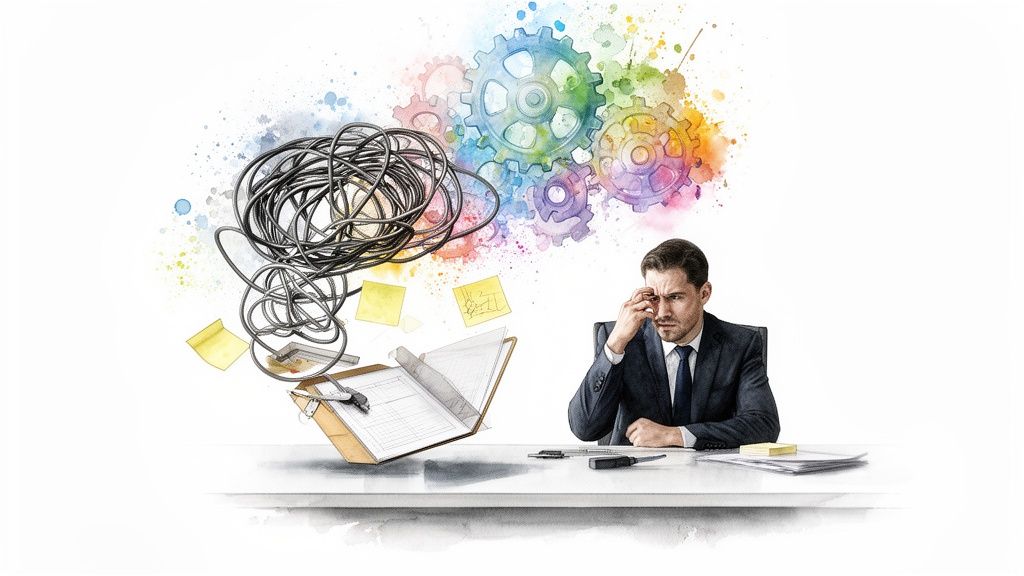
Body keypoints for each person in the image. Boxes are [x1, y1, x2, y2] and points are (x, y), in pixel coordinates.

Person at [568, 239, 780, 449]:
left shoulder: (740, 344)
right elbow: (585, 429)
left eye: (675, 297)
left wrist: (676, 435)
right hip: (633, 478)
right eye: (654, 298)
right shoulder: (621, 339)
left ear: (704, 293)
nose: (662, 312)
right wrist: (616, 343)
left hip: (711, 478)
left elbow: (764, 425)